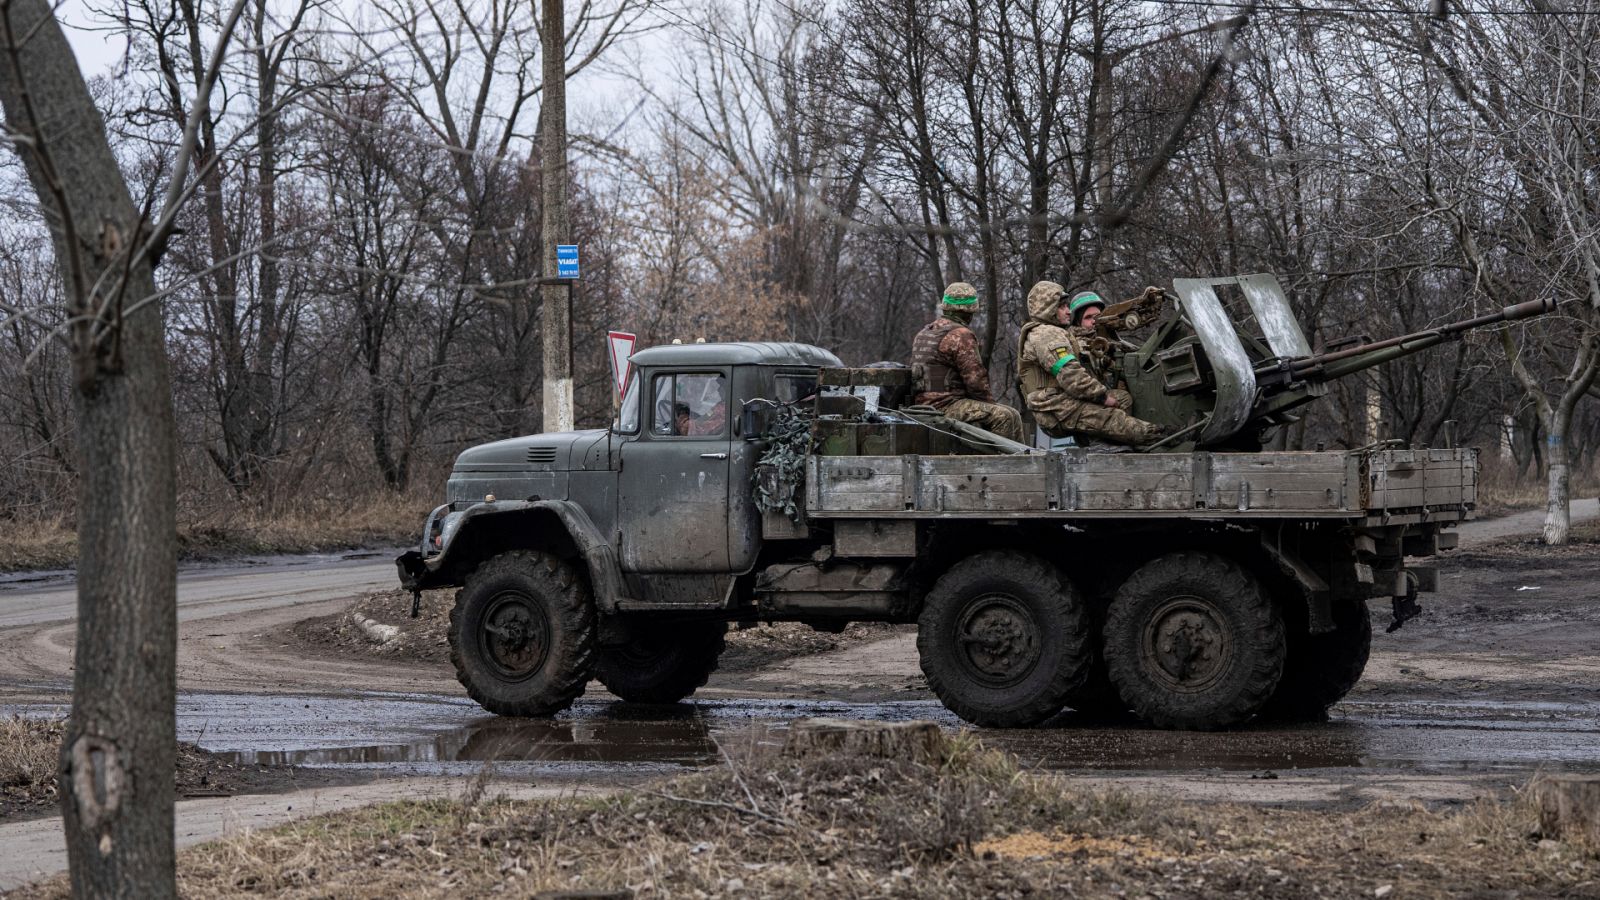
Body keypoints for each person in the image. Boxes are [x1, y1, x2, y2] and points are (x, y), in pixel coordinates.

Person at [1017, 281, 1165, 447]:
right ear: (1048, 309)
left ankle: (1107, 446)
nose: (1068, 311)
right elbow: (1070, 375)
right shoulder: (1046, 334)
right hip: (1056, 408)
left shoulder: (1055, 333)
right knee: (1120, 423)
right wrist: (1102, 397)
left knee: (1122, 400)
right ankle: (1166, 437)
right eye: (1062, 307)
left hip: (1064, 402)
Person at [908, 281, 1024, 442]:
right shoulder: (961, 334)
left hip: (922, 407)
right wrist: (990, 405)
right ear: (969, 312)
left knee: (1013, 414)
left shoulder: (925, 332)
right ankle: (1002, 465)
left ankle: (1020, 460)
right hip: (945, 407)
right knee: (1003, 416)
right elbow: (976, 380)